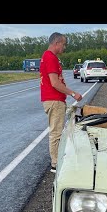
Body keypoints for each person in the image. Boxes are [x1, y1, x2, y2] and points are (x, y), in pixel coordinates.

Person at [40, 32, 83, 173]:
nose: (64, 47)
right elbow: (55, 83)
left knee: (56, 131)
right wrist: (73, 93)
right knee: (56, 133)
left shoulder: (49, 57)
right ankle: (56, 163)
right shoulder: (50, 57)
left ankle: (57, 160)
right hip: (54, 100)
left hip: (53, 100)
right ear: (57, 43)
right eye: (63, 44)